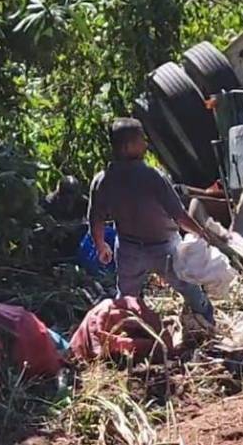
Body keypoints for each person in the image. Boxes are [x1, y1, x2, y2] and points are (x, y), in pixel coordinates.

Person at [88, 118, 215, 329]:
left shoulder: (103, 180)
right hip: (163, 247)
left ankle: (128, 327)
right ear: (128, 146)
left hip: (128, 249)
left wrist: (100, 245)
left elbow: (96, 218)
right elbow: (179, 215)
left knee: (127, 295)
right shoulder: (151, 176)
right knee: (187, 286)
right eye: (141, 139)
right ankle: (207, 320)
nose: (146, 143)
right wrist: (200, 232)